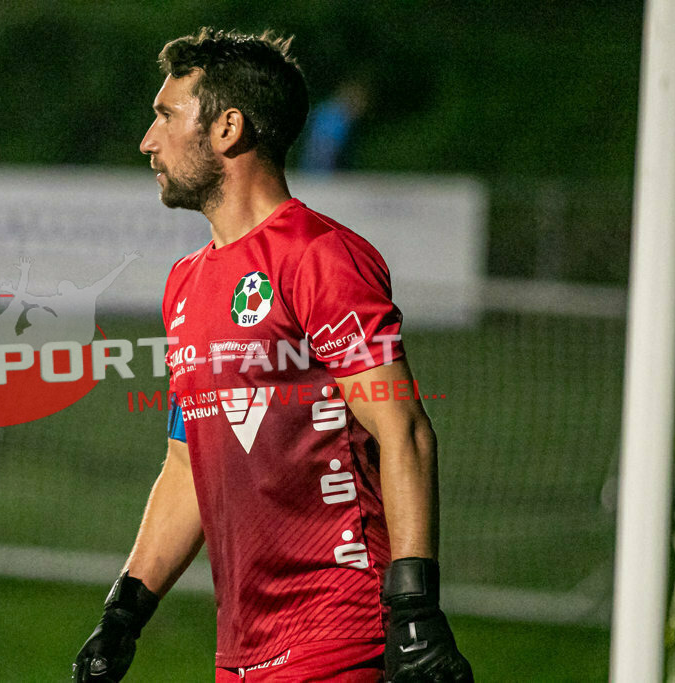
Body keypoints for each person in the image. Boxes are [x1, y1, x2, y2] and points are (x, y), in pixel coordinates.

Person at [73, 28, 472, 683]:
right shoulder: (185, 284)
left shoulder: (321, 256)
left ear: (228, 128)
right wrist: (123, 615)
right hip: (243, 652)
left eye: (166, 116)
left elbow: (404, 430)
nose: (148, 141)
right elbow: (186, 466)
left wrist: (415, 610)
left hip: (340, 629)